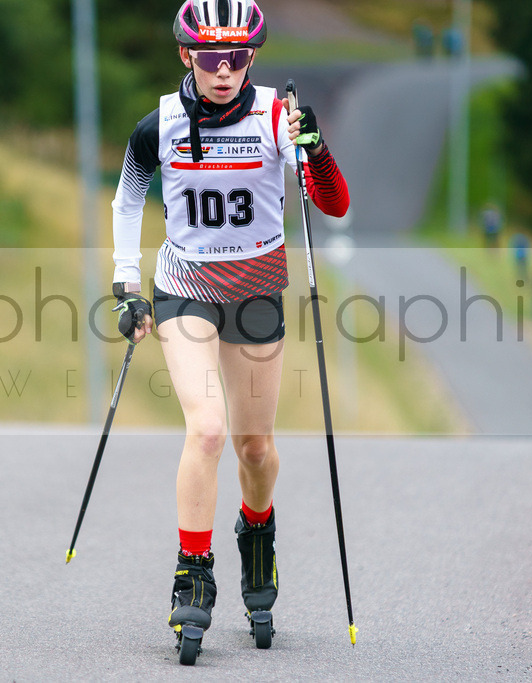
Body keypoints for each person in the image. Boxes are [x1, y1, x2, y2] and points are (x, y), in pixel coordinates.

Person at [110, 0, 350, 653]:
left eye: (238, 58)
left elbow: (334, 203)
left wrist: (316, 147)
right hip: (185, 286)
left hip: (256, 291)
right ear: (186, 54)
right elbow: (129, 194)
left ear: (253, 57)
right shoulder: (158, 124)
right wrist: (126, 284)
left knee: (255, 449)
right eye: (212, 58)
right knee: (208, 429)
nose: (225, 72)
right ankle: (193, 572)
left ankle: (258, 531)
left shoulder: (277, 114)